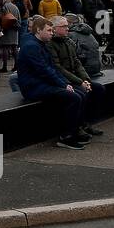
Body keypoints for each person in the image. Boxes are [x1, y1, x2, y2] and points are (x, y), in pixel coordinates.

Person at [17, 16, 91, 151]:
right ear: (39, 30)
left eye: (52, 30)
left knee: (80, 93)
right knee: (74, 97)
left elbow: (51, 68)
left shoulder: (39, 43)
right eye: (49, 30)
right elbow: (44, 70)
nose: (52, 33)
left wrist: (64, 83)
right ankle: (67, 136)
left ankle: (76, 130)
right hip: (33, 87)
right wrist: (63, 85)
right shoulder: (31, 47)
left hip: (42, 83)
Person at [49, 16, 107, 139]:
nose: (67, 28)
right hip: (64, 80)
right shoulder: (51, 44)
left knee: (99, 89)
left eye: (67, 25)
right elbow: (58, 68)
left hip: (74, 77)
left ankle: (88, 122)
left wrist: (86, 79)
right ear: (54, 28)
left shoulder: (68, 41)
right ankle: (78, 126)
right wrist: (80, 82)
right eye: (63, 26)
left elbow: (76, 62)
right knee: (81, 94)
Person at [66, 13, 104, 79]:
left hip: (85, 71)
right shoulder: (88, 33)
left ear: (69, 23)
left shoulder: (70, 34)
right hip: (96, 68)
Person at [0, 0, 21, 74]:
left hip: (6, 29)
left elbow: (2, 19)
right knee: (14, 48)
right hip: (15, 29)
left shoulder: (4, 7)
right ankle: (17, 65)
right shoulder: (15, 7)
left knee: (5, 48)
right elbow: (19, 19)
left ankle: (5, 67)